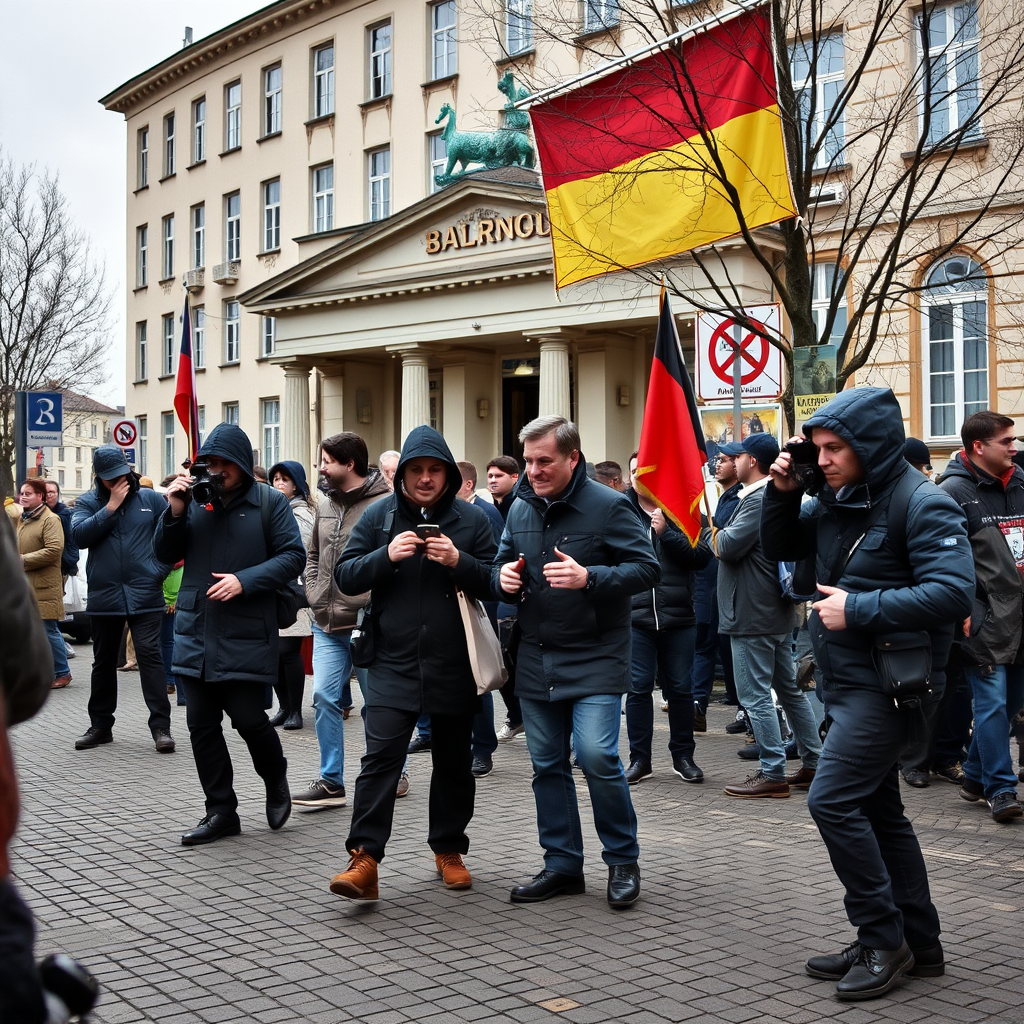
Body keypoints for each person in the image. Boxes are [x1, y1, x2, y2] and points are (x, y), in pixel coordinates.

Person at [762, 385, 974, 1000]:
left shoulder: (923, 502)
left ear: (871, 445)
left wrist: (858, 608)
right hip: (850, 682)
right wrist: (783, 492)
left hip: (892, 688)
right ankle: (921, 944)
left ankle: (884, 938)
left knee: (831, 801)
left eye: (836, 448)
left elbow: (954, 592)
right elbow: (781, 546)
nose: (825, 459)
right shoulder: (838, 497)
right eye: (819, 449)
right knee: (880, 811)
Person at [495, 416, 660, 908]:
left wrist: (590, 577)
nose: (533, 471)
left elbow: (646, 569)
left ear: (572, 457)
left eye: (544, 461)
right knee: (546, 764)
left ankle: (623, 860)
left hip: (597, 654)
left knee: (596, 756)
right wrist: (502, 577)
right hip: (535, 653)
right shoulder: (519, 505)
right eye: (528, 461)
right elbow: (502, 562)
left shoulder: (609, 504)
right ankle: (563, 865)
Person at [329, 426, 497, 900]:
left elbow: (495, 581)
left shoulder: (471, 519)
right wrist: (386, 555)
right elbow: (346, 576)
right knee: (380, 759)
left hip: (453, 663)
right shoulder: (379, 515)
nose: (425, 478)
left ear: (448, 474)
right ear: (402, 474)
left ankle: (449, 849)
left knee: (453, 762)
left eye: (435, 470)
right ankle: (364, 858)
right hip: (390, 660)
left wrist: (459, 560)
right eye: (417, 469)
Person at [154, 424, 305, 846]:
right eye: (210, 463)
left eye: (224, 463)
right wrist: (175, 511)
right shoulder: (194, 500)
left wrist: (245, 580)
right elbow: (163, 554)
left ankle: (275, 778)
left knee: (249, 720)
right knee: (201, 725)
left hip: (245, 629)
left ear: (240, 463)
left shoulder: (269, 502)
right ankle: (221, 811)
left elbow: (293, 556)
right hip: (196, 630)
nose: (217, 471)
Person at [715, 434, 821, 798]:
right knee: (789, 691)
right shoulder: (761, 496)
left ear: (753, 461)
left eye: (738, 456)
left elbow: (727, 546)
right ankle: (813, 763)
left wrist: (704, 527)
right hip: (769, 612)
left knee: (755, 696)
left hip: (751, 614)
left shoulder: (758, 498)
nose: (732, 461)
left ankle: (773, 771)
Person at [293, 433, 390, 810]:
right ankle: (332, 781)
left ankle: (392, 772)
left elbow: (390, 561)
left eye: (327, 461)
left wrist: (368, 599)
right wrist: (315, 592)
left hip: (368, 624)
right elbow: (313, 553)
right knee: (323, 697)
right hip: (326, 622)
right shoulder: (326, 503)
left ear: (349, 464)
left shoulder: (385, 504)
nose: (320, 468)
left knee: (378, 705)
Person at [938, 411, 1024, 822]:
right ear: (978, 446)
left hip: (1020, 615)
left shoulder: (1021, 481)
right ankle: (1001, 789)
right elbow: (941, 560)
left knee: (1011, 703)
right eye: (1006, 441)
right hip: (983, 617)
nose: (1014, 447)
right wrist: (966, 608)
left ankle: (975, 774)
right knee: (990, 703)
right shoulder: (951, 492)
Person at [71, 445, 174, 753]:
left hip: (146, 593)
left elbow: (171, 539)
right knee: (103, 662)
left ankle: (161, 728)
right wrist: (110, 507)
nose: (117, 482)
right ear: (98, 477)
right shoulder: (87, 502)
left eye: (121, 475)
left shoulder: (151, 500)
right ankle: (101, 726)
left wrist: (157, 572)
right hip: (105, 595)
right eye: (109, 478)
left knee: (150, 656)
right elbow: (79, 537)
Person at [623, 480, 712, 784]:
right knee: (637, 689)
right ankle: (639, 760)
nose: (641, 477)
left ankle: (683, 757)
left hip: (679, 618)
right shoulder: (620, 511)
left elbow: (702, 556)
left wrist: (667, 533)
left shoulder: (683, 511)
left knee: (680, 689)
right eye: (636, 471)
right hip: (635, 619)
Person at [267, 460, 317, 730]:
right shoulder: (274, 509)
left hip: (295, 591)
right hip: (273, 589)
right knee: (275, 653)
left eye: (284, 479)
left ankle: (295, 711)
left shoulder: (301, 513)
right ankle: (284, 707)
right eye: (275, 479)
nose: (278, 483)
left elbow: (301, 551)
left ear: (296, 484)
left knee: (288, 652)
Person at [14, 480, 70, 690]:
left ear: (41, 496)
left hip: (44, 585)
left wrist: (23, 559)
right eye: (22, 493)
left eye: (28, 493)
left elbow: (54, 550)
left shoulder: (50, 519)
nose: (23, 497)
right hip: (26, 584)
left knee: (48, 629)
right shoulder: (24, 518)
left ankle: (62, 672)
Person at [44, 480, 79, 580]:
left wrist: (70, 560)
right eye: (46, 492)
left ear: (58, 494)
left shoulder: (66, 514)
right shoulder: (36, 513)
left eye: (51, 492)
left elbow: (72, 540)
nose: (49, 495)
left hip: (63, 565)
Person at [485, 455, 520, 521]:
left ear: (514, 477)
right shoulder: (484, 503)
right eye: (490, 476)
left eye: (499, 476)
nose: (493, 480)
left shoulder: (523, 505)